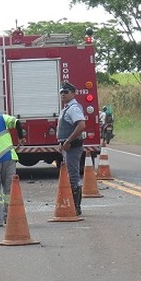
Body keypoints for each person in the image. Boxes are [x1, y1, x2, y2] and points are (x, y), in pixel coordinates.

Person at [57, 82, 87, 216]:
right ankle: (73, 205)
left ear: (73, 94)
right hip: (67, 146)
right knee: (70, 175)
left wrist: (68, 141)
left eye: (66, 92)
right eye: (61, 92)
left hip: (73, 147)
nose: (63, 94)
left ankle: (76, 207)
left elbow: (81, 125)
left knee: (73, 176)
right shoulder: (67, 108)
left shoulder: (73, 108)